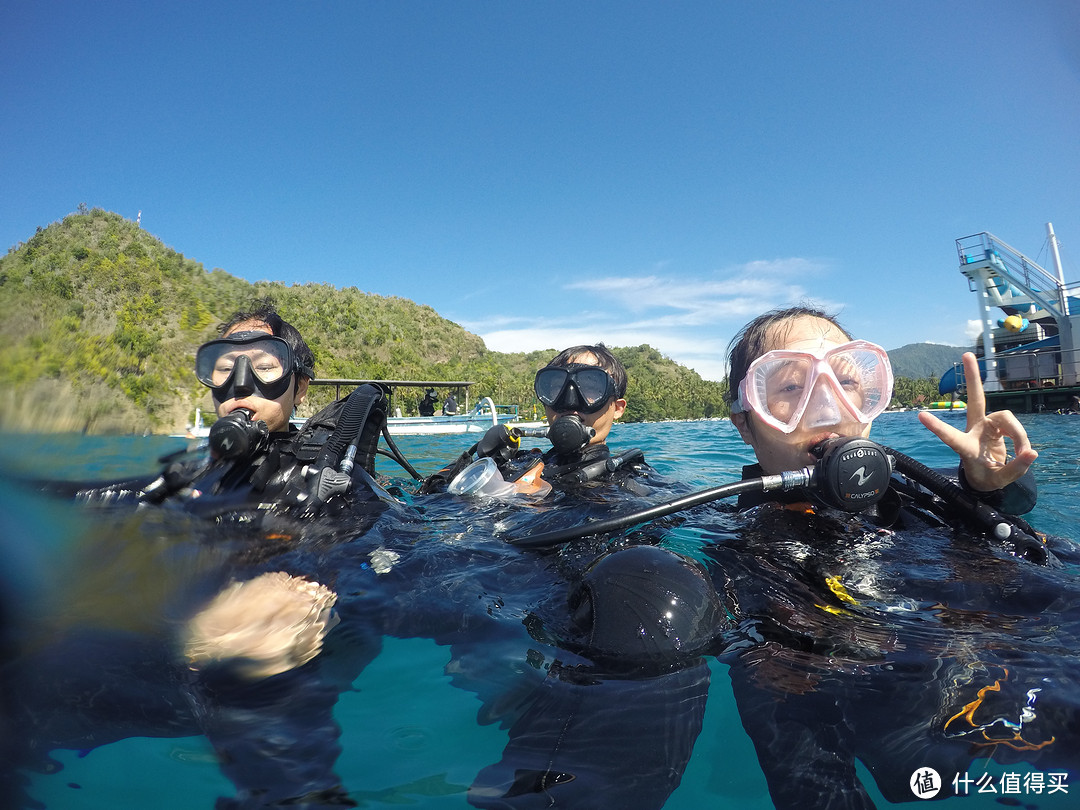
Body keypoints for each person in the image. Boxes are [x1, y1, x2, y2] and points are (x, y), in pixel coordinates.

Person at [712, 305, 1064, 809]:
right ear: (746, 424)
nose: (827, 406)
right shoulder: (743, 549)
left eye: (846, 382)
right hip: (913, 729)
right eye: (791, 388)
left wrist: (982, 494)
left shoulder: (927, 496)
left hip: (1024, 683)